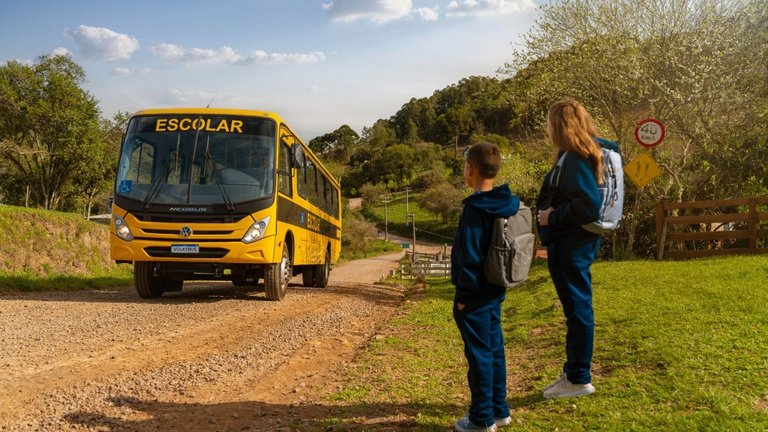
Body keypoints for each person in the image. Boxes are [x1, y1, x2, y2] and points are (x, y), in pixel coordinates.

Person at [535, 98, 620, 399]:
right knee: (576, 308)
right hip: (574, 241)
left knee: (578, 309)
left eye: (548, 123)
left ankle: (578, 378)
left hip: (571, 243)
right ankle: (574, 372)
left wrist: (552, 217)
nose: (546, 129)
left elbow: (587, 205)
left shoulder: (574, 157)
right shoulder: (581, 154)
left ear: (559, 125)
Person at [451, 142, 521, 432]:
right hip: (495, 288)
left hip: (475, 295)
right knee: (494, 350)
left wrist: (464, 296)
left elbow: (469, 255)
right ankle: (499, 409)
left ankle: (481, 419)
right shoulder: (506, 203)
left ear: (470, 169)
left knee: (479, 355)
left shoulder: (475, 209)